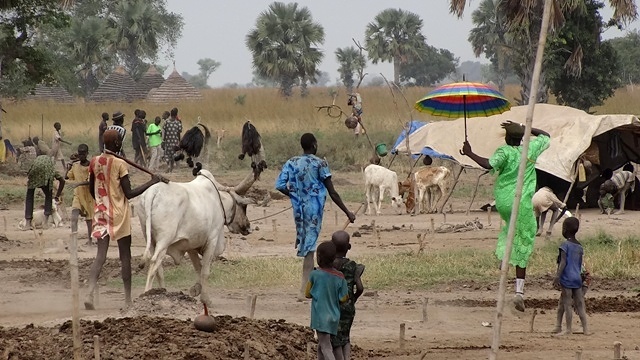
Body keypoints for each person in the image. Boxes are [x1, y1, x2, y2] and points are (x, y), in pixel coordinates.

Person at [461, 121, 550, 312]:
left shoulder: (504, 152)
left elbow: (487, 164)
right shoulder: (531, 149)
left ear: (508, 138)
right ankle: (519, 292)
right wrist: (528, 128)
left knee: (510, 230)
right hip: (522, 203)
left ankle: (504, 259)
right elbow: (546, 136)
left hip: (504, 202)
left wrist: (469, 152)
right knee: (524, 239)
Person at [84, 130, 163, 310]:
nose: (121, 142)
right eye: (119, 140)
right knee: (125, 256)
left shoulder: (94, 161)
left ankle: (89, 293)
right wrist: (153, 181)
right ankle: (127, 300)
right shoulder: (120, 164)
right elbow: (129, 193)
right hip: (119, 214)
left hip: (100, 212)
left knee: (100, 256)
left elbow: (91, 189)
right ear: (117, 144)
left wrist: (100, 202)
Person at [275, 133, 356, 299]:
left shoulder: (292, 162)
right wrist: (347, 212)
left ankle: (308, 286)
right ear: (313, 145)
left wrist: (295, 195)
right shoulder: (320, 163)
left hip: (299, 210)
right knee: (310, 248)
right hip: (313, 210)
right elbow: (332, 192)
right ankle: (305, 289)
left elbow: (280, 185)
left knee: (306, 244)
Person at [305, 241, 349, 360]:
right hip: (334, 316)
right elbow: (344, 298)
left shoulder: (314, 275)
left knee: (326, 347)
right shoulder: (340, 276)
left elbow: (307, 294)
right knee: (322, 345)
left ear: (318, 257)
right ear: (334, 258)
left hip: (320, 317)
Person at [331, 231, 364, 360]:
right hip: (348, 306)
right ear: (349, 247)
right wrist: (353, 299)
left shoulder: (329, 266)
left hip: (333, 306)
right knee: (346, 336)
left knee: (335, 338)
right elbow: (360, 288)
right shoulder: (354, 266)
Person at [553, 217, 589, 336]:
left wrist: (557, 276)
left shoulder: (565, 245)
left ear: (565, 230)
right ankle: (585, 329)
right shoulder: (579, 247)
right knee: (580, 304)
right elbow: (579, 264)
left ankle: (568, 329)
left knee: (567, 304)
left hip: (567, 278)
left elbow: (563, 262)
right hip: (577, 279)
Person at [24, 155, 65, 230]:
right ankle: (45, 223)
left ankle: (27, 223)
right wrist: (57, 195)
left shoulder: (34, 169)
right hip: (45, 177)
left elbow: (28, 173)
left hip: (34, 174)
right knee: (48, 197)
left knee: (29, 197)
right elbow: (62, 181)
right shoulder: (51, 170)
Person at [65, 144, 95, 246]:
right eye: (79, 154)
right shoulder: (75, 166)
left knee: (89, 220)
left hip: (88, 196)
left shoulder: (91, 166)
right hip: (78, 195)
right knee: (74, 217)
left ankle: (90, 240)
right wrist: (68, 166)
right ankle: (74, 240)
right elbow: (68, 176)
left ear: (87, 154)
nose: (81, 156)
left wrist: (78, 183)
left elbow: (91, 181)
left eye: (83, 154)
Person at [163, 107, 182, 172]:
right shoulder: (178, 123)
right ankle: (171, 167)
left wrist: (164, 140)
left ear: (170, 114)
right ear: (176, 115)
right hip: (175, 141)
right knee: (174, 154)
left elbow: (164, 132)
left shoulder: (166, 122)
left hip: (168, 141)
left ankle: (168, 165)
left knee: (167, 154)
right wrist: (179, 141)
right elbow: (179, 133)